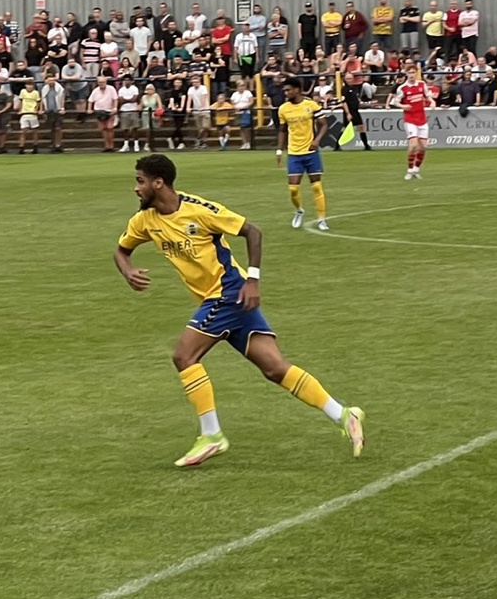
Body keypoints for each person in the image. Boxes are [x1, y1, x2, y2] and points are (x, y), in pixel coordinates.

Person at [113, 154, 365, 467]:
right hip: (226, 300)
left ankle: (212, 435)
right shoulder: (145, 220)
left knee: (184, 356)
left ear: (158, 182)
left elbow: (253, 232)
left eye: (139, 181)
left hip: (228, 292)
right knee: (274, 368)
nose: (135, 188)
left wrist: (253, 281)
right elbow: (122, 250)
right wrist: (127, 271)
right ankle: (343, 414)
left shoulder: (201, 211)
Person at [278, 79, 332, 232]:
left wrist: (317, 140)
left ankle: (322, 219)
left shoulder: (311, 105)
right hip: (294, 153)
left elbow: (324, 124)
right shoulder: (283, 109)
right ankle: (300, 210)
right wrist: (279, 150)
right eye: (285, 91)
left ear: (297, 90)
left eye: (288, 90)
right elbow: (282, 130)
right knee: (293, 189)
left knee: (316, 186)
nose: (286, 93)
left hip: (311, 152)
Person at [392, 62, 439, 181]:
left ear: (416, 73)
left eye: (414, 72)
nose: (412, 75)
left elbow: (428, 96)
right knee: (413, 145)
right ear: (407, 74)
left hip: (422, 118)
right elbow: (395, 102)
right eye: (410, 73)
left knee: (423, 147)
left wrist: (432, 102)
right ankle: (409, 170)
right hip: (410, 119)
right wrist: (403, 106)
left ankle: (416, 169)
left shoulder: (422, 85)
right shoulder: (402, 88)